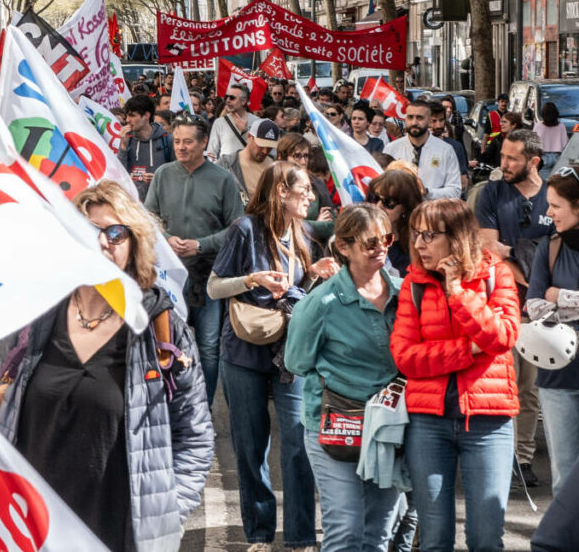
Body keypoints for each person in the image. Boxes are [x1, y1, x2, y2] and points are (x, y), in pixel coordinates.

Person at [0, 181, 214, 551]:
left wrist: (166, 512)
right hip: (32, 529)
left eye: (115, 233)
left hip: (118, 534)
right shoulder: (35, 317)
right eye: (88, 232)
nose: (101, 243)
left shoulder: (160, 328)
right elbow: (4, 407)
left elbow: (195, 435)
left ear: (134, 244)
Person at [208, 161, 338, 552]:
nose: (312, 198)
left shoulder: (303, 232)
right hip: (244, 351)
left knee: (299, 443)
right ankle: (260, 534)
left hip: (291, 353)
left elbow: (295, 294)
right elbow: (215, 287)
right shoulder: (244, 230)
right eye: (305, 190)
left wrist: (313, 272)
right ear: (281, 191)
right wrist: (252, 279)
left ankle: (299, 537)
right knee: (250, 447)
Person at [390, 198, 520, 551]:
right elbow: (405, 358)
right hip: (427, 423)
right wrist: (468, 351)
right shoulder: (413, 285)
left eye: (429, 235)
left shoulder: (497, 274)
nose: (418, 244)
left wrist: (458, 293)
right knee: (434, 538)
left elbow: (503, 336)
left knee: (485, 538)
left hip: (488, 420)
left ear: (458, 237)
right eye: (415, 234)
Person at [286, 204, 402, 551]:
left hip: (390, 426)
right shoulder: (321, 302)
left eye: (387, 239)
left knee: (378, 534)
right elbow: (296, 362)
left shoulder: (403, 293)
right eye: (370, 243)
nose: (381, 247)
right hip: (334, 424)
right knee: (346, 528)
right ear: (343, 247)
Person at [145, 113, 243, 401]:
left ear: (203, 144)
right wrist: (166, 239)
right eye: (177, 141)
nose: (181, 147)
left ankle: (205, 408)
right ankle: (172, 406)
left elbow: (238, 228)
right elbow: (148, 219)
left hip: (210, 277)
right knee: (166, 342)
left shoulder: (223, 179)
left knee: (209, 346)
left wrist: (200, 245)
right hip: (171, 278)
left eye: (188, 141)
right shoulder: (163, 174)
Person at [476, 128, 554, 488]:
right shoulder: (491, 193)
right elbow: (490, 252)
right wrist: (536, 260)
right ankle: (501, 455)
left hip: (542, 316)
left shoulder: (554, 196)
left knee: (530, 388)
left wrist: (521, 253)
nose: (503, 164)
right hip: (502, 309)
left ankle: (522, 458)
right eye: (502, 156)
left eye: (512, 158)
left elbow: (562, 252)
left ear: (534, 161)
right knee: (503, 385)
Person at [525, 165, 579, 494]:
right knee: (565, 481)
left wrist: (560, 296)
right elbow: (534, 307)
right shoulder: (550, 246)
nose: (548, 212)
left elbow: (549, 300)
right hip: (557, 379)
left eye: (556, 205)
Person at [383, 100, 462, 199]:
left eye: (419, 118)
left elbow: (455, 191)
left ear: (429, 121)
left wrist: (428, 192)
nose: (414, 122)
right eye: (410, 117)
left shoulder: (446, 150)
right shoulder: (391, 149)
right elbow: (383, 187)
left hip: (432, 212)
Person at [277, 134, 335, 242]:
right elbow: (276, 222)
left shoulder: (317, 184)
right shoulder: (272, 181)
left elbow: (331, 226)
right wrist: (313, 225)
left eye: (306, 156)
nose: (303, 162)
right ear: (281, 157)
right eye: (297, 156)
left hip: (311, 251)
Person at [367, 169, 424, 277]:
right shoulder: (363, 237)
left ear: (405, 207)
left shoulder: (420, 242)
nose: (379, 206)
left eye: (389, 202)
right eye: (375, 198)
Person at [117, 95, 174, 201]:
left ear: (146, 115)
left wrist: (158, 180)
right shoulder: (126, 139)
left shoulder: (167, 139)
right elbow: (119, 174)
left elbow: (177, 173)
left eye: (132, 116)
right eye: (127, 116)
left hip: (161, 203)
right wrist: (123, 146)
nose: (128, 120)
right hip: (135, 205)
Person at [218, 119, 280, 206]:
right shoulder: (227, 164)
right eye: (261, 145)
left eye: (270, 147)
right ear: (250, 137)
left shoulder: (275, 166)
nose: (265, 151)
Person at [208, 83, 260, 159]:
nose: (228, 100)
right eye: (227, 97)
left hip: (249, 168)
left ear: (243, 101)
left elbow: (260, 150)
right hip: (226, 169)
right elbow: (211, 153)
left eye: (232, 98)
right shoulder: (219, 123)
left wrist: (245, 132)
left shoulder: (256, 121)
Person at [429, 102, 469, 192]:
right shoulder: (419, 147)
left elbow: (462, 182)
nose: (438, 125)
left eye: (441, 120)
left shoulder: (455, 147)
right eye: (433, 121)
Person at [536, 102, 569, 172]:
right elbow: (565, 144)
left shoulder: (538, 126)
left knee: (543, 181)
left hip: (542, 157)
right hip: (558, 157)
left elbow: (534, 144)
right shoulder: (561, 126)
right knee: (557, 180)